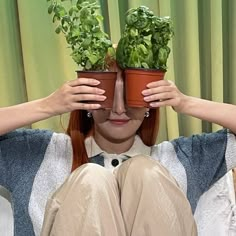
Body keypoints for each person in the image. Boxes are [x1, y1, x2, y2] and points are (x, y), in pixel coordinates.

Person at [0, 65, 236, 235]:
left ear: (149, 105)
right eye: (109, 96)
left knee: (144, 172)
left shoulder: (182, 158)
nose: (119, 109)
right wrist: (47, 106)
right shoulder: (39, 153)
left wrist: (185, 103)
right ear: (88, 103)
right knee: (91, 178)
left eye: (129, 97)